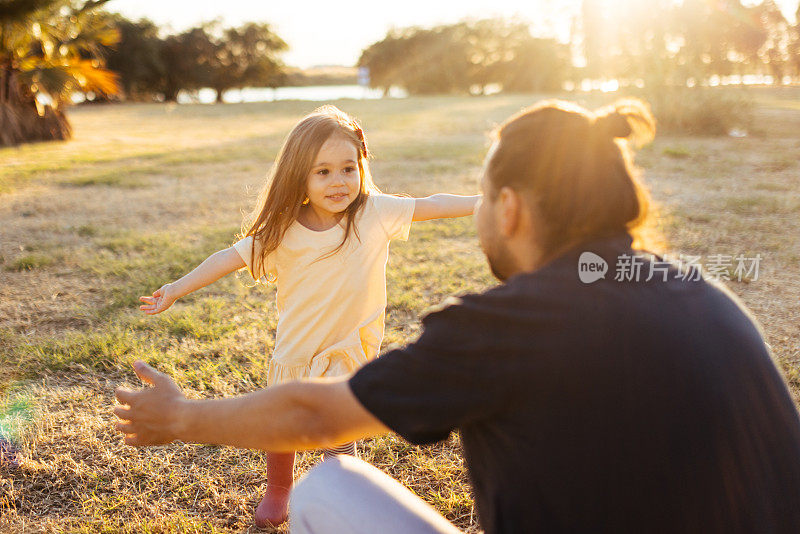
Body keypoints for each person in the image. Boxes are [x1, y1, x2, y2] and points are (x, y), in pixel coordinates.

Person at [116, 98, 800, 534]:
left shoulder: (507, 327)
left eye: (479, 198)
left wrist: (181, 419)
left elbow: (319, 419)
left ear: (509, 209)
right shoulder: (703, 291)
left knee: (329, 484)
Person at [136, 104, 479, 527]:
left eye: (348, 168)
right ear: (300, 174)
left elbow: (433, 204)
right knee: (281, 430)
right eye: (323, 172)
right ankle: (278, 489)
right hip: (297, 349)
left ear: (361, 166)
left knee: (339, 430)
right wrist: (175, 289)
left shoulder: (375, 212)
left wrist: (482, 202)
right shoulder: (283, 231)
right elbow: (228, 258)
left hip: (348, 348)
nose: (339, 182)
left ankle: (343, 488)